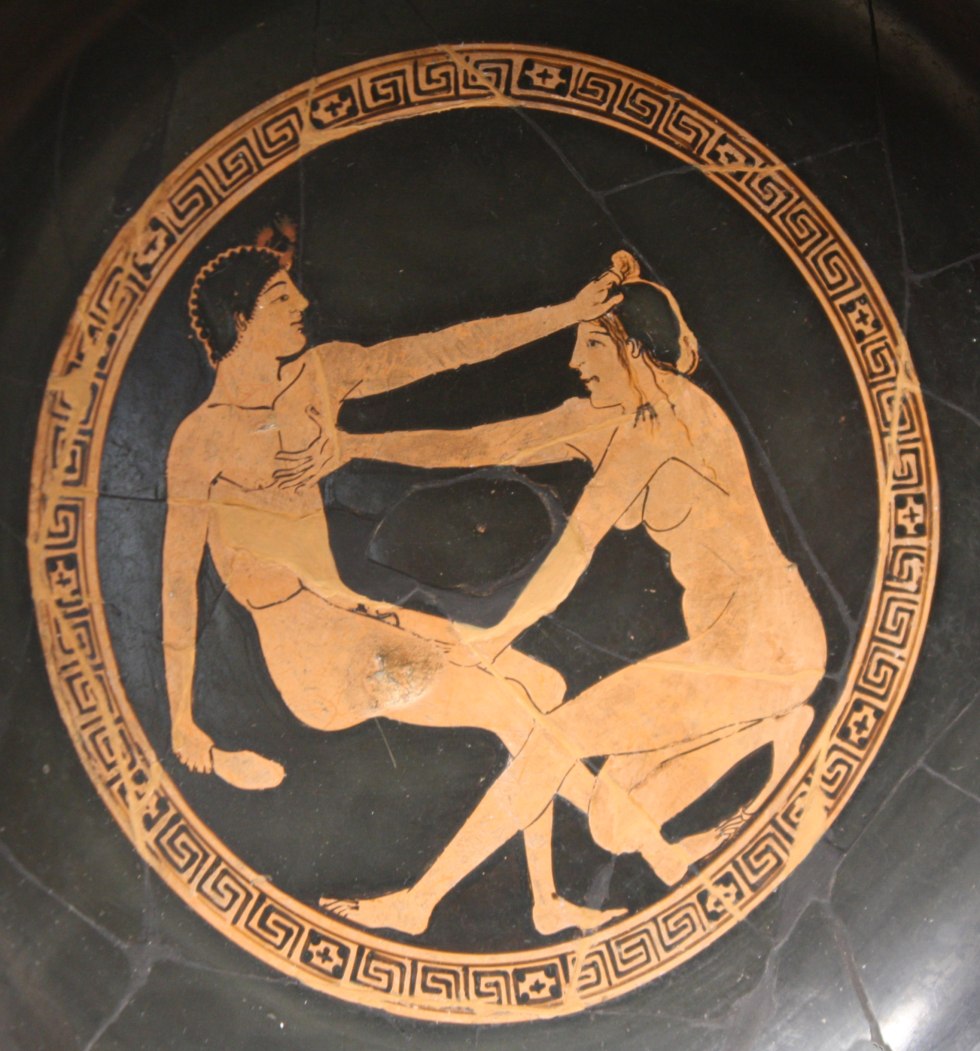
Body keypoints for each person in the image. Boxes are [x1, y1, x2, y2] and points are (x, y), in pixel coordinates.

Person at [323, 251, 828, 935]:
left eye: (590, 345)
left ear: (631, 348)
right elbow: (479, 443)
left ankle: (421, 901)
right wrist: (351, 445)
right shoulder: (614, 421)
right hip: (725, 656)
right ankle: (772, 730)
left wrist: (495, 636)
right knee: (615, 823)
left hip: (768, 640)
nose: (573, 362)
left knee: (553, 742)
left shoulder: (667, 423)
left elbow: (577, 547)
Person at [162, 232, 625, 933]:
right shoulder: (202, 439)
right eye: (281, 297)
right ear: (239, 320)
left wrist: (567, 312)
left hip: (351, 615)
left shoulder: (319, 376)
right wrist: (181, 720)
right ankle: (627, 828)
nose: (303, 304)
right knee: (511, 708)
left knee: (542, 685)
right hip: (311, 654)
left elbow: (444, 349)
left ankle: (547, 898)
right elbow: (177, 581)